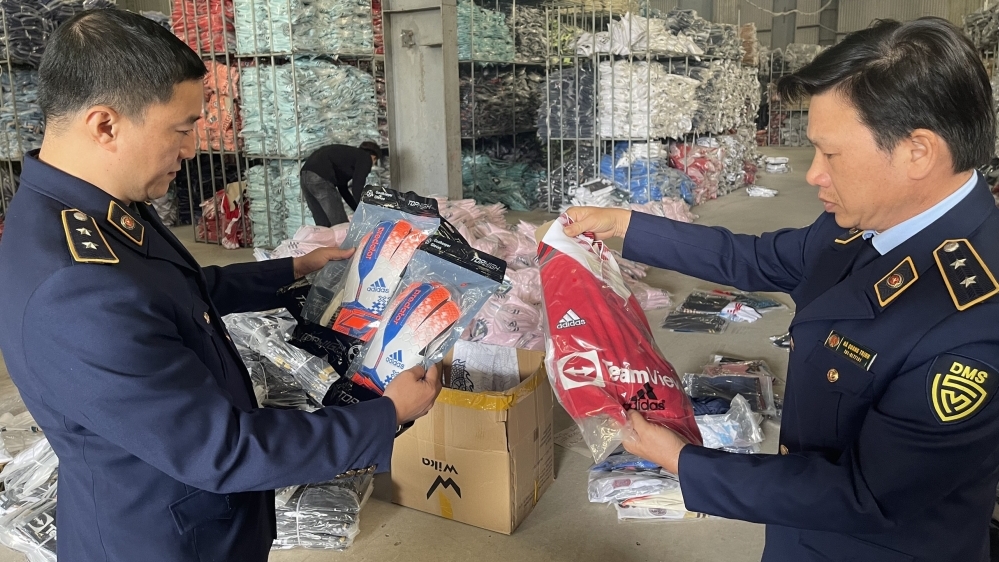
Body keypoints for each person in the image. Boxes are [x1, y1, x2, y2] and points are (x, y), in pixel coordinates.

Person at [0, 10, 441, 561]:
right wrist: (386, 414)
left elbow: (169, 292)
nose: (191, 149)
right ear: (105, 125)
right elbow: (222, 449)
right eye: (182, 129)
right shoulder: (76, 286)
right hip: (166, 538)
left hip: (186, 511)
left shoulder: (84, 205)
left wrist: (292, 270)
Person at [566, 17, 999, 562]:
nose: (813, 174)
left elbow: (865, 494)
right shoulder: (866, 217)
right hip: (800, 532)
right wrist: (625, 225)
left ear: (918, 152)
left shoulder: (971, 323)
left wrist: (682, 461)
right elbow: (755, 258)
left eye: (831, 154)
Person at [300, 141, 382, 226]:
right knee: (340, 224)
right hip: (321, 176)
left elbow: (343, 190)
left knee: (324, 225)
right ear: (374, 157)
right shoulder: (365, 158)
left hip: (305, 176)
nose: (372, 165)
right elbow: (357, 188)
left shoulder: (347, 159)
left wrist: (356, 209)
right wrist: (365, 211)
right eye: (375, 162)